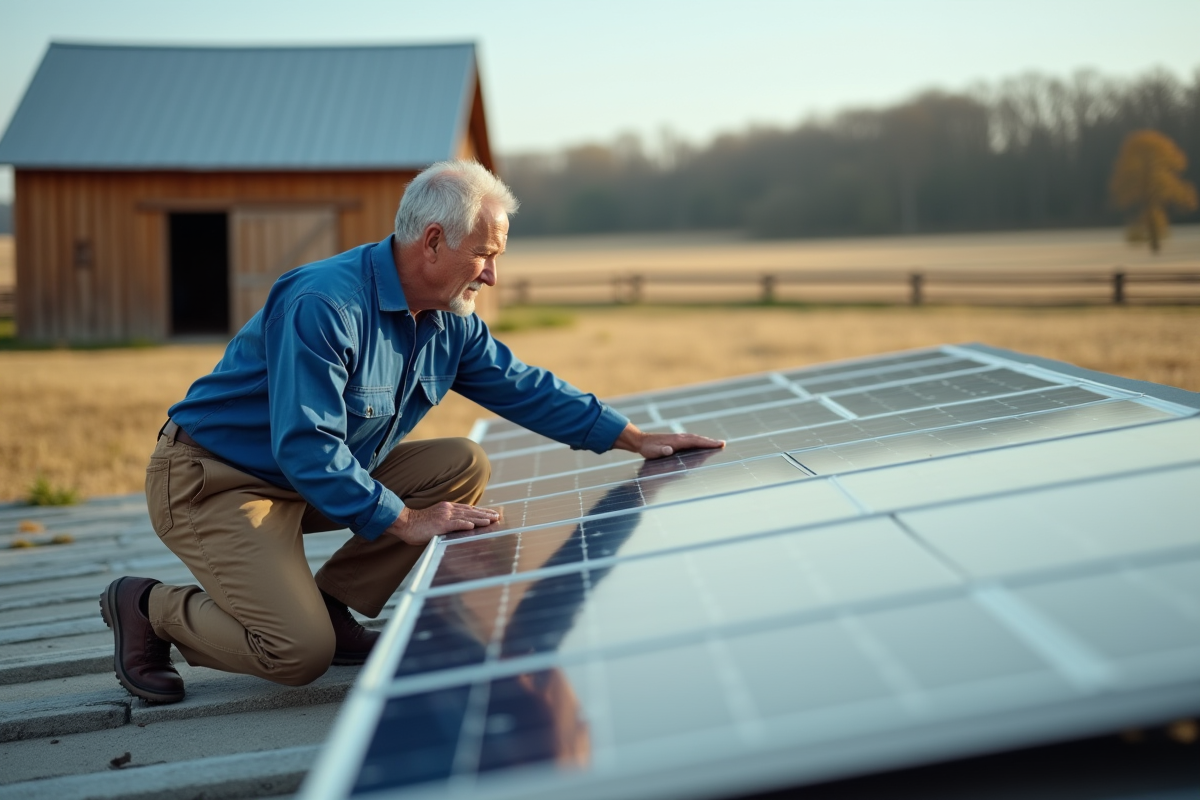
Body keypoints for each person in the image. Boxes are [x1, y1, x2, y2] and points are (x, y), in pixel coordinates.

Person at [100, 160, 723, 704]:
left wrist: (634, 438)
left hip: (304, 479)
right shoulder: (326, 303)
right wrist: (402, 521)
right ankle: (148, 607)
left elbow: (524, 386)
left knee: (461, 462)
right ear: (432, 242)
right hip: (216, 482)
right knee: (295, 654)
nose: (491, 278)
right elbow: (305, 443)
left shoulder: (450, 320)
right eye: (485, 255)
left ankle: (333, 606)